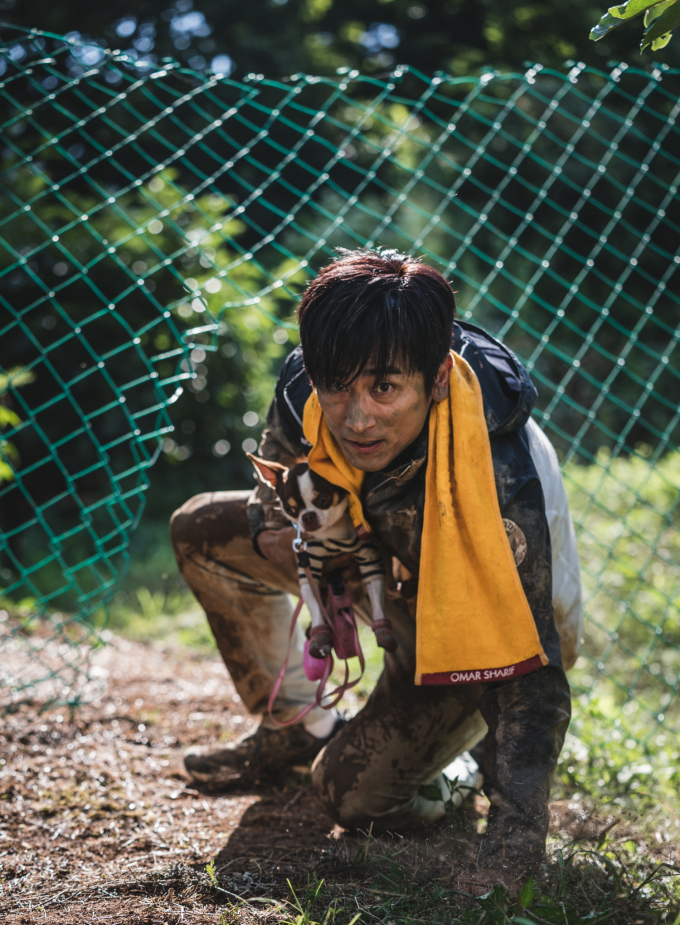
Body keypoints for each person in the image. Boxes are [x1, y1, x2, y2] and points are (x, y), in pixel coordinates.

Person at [170, 249, 581, 890]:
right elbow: (273, 484)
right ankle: (295, 725)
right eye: (339, 387)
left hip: (475, 630)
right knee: (202, 529)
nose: (356, 418)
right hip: (369, 571)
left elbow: (533, 673)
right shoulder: (307, 380)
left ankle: (460, 774)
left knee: (352, 798)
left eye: (384, 388)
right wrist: (281, 535)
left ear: (437, 377)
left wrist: (513, 846)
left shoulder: (501, 473)